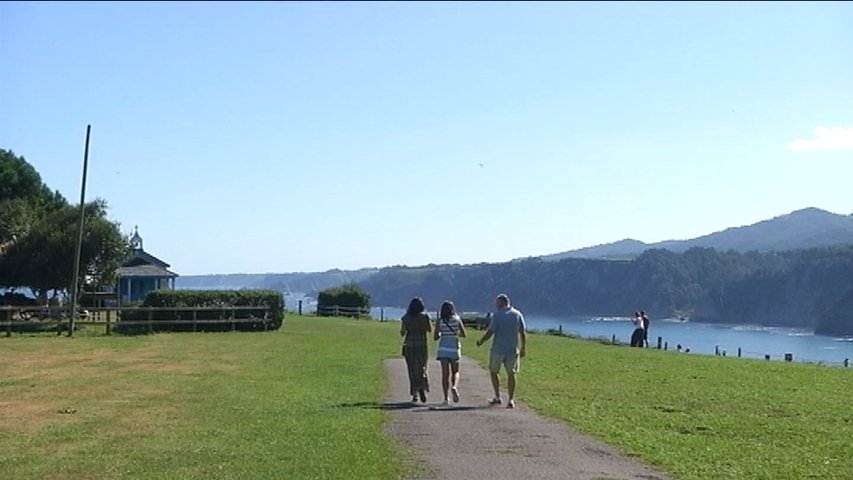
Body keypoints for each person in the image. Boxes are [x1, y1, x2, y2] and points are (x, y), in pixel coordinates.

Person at [475, 294, 526, 409]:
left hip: (498, 349)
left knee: (494, 372)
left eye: (497, 303)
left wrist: (481, 341)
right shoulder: (517, 314)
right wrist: (523, 347)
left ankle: (497, 396)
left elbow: (491, 331)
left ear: (501, 302)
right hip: (512, 350)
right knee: (511, 374)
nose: (495, 305)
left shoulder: (497, 315)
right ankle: (511, 399)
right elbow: (522, 332)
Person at [434, 300, 467, 406]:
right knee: (455, 372)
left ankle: (445, 398)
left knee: (445, 375)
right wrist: (455, 333)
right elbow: (464, 334)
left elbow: (435, 337)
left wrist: (441, 333)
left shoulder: (440, 321)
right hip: (454, 348)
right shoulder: (457, 319)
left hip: (443, 349)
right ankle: (454, 387)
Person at [400, 297, 431, 403]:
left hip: (409, 345)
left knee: (412, 370)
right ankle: (422, 386)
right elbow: (430, 329)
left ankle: (415, 394)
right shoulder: (425, 317)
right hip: (422, 345)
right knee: (422, 368)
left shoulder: (406, 317)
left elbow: (402, 333)